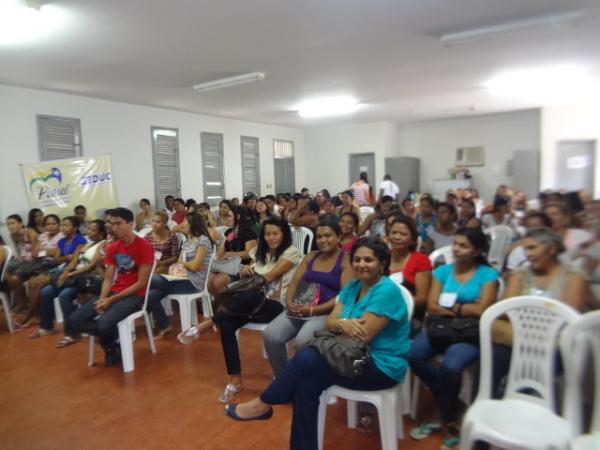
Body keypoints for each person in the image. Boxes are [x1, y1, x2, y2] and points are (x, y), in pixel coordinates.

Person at [225, 236, 410, 450]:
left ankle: (263, 403)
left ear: (382, 263)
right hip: (348, 356)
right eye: (357, 260)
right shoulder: (352, 286)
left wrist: (340, 325)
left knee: (308, 355)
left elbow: (363, 335)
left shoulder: (386, 291)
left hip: (380, 366)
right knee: (306, 384)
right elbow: (331, 322)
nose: (361, 265)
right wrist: (343, 325)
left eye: (368, 260)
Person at [178, 217, 301, 403]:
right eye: (267, 234)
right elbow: (253, 274)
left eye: (275, 233)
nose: (271, 237)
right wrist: (245, 271)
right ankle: (235, 380)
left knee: (247, 297)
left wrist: (253, 274)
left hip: (277, 305)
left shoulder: (291, 253)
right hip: (251, 304)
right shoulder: (262, 252)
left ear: (284, 234)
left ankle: (205, 325)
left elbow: (269, 276)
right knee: (227, 325)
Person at [408, 227, 499, 448]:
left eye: (463, 245)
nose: (456, 249)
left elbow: (483, 310)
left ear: (477, 251)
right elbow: (431, 304)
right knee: (413, 354)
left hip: (470, 332)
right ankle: (450, 402)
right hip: (442, 327)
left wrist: (451, 307)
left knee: (451, 366)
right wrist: (466, 307)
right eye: (455, 243)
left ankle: (446, 418)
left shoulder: (488, 275)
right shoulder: (443, 271)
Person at [491, 227, 589, 398]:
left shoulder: (574, 276)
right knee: (493, 355)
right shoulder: (521, 274)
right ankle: (490, 404)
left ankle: (523, 408)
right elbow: (506, 310)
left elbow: (566, 315)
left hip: (553, 344)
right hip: (521, 340)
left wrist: (523, 316)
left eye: (532, 248)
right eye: (525, 249)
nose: (527, 255)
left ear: (551, 249)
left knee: (533, 365)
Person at [263, 215, 353, 377]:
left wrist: (313, 310)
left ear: (338, 237)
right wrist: (290, 303)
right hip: (299, 308)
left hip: (326, 312)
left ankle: (301, 378)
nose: (323, 240)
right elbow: (294, 283)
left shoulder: (346, 261)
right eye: (319, 236)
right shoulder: (311, 256)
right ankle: (283, 376)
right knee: (271, 334)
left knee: (302, 341)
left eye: (328, 235)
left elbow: (344, 296)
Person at [66, 207, 155, 367]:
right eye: (112, 224)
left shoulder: (145, 247)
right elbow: (108, 278)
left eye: (119, 223)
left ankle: (109, 344)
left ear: (130, 224)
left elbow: (141, 283)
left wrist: (111, 299)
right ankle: (113, 343)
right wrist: (102, 299)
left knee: (103, 324)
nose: (114, 228)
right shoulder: (112, 247)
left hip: (135, 296)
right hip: (115, 293)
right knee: (73, 320)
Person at [30, 220, 106, 341]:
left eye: (93, 230)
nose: (88, 232)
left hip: (85, 279)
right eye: (89, 229)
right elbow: (74, 261)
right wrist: (65, 273)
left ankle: (71, 333)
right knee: (46, 292)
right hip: (73, 276)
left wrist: (71, 274)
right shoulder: (86, 244)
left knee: (64, 296)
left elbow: (91, 265)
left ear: (101, 233)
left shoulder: (102, 244)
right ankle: (46, 327)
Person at [147, 213, 214, 339]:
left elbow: (194, 267)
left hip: (194, 282)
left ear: (193, 225)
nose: (183, 225)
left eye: (186, 223)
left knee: (149, 280)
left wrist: (184, 263)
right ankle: (165, 324)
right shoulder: (187, 241)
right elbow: (184, 263)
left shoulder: (202, 240)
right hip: (180, 278)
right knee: (151, 296)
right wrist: (187, 263)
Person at [17, 216, 87, 327]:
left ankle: (30, 314)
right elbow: (57, 260)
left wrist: (65, 265)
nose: (63, 228)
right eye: (62, 225)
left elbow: (75, 261)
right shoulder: (62, 241)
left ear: (74, 228)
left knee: (37, 282)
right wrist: (65, 258)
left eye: (66, 225)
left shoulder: (80, 240)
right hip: (59, 269)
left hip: (73, 273)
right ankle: (45, 325)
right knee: (41, 289)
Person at [386, 215, 432, 318]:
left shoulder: (420, 260)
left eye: (403, 234)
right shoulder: (382, 257)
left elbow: (421, 298)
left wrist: (390, 304)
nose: (397, 237)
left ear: (412, 239)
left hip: (408, 314)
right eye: (393, 233)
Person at [208, 209, 258, 295]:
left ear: (238, 218)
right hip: (226, 265)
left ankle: (225, 303)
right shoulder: (229, 232)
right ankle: (219, 302)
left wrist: (228, 254)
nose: (226, 218)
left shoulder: (249, 234)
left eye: (229, 216)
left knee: (217, 282)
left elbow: (249, 253)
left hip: (241, 267)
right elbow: (222, 251)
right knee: (208, 280)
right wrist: (220, 251)